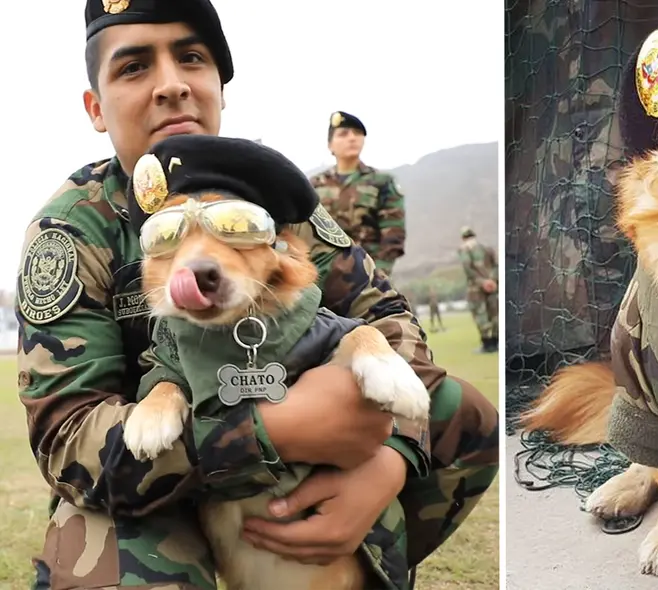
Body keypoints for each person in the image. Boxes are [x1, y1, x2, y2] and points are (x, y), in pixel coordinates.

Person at [15, 2, 499, 589]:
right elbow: (67, 440)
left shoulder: (272, 202)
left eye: (191, 58)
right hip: (151, 480)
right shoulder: (71, 230)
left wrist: (391, 458)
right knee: (107, 561)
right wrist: (271, 429)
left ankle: (348, 559)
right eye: (134, 67)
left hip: (293, 472)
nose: (171, 85)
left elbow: (388, 317)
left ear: (220, 86)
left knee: (463, 415)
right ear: (96, 107)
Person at [310, 111, 406, 277]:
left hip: (368, 274)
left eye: (357, 133)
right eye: (343, 134)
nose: (352, 138)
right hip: (323, 274)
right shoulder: (314, 185)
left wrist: (377, 276)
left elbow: (393, 235)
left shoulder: (381, 182)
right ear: (330, 145)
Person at [458, 226, 499, 353]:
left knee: (480, 314)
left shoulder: (464, 249)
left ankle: (487, 344)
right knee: (494, 313)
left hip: (476, 289)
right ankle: (496, 342)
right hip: (493, 287)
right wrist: (492, 280)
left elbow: (468, 269)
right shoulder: (486, 248)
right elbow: (496, 265)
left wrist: (482, 283)